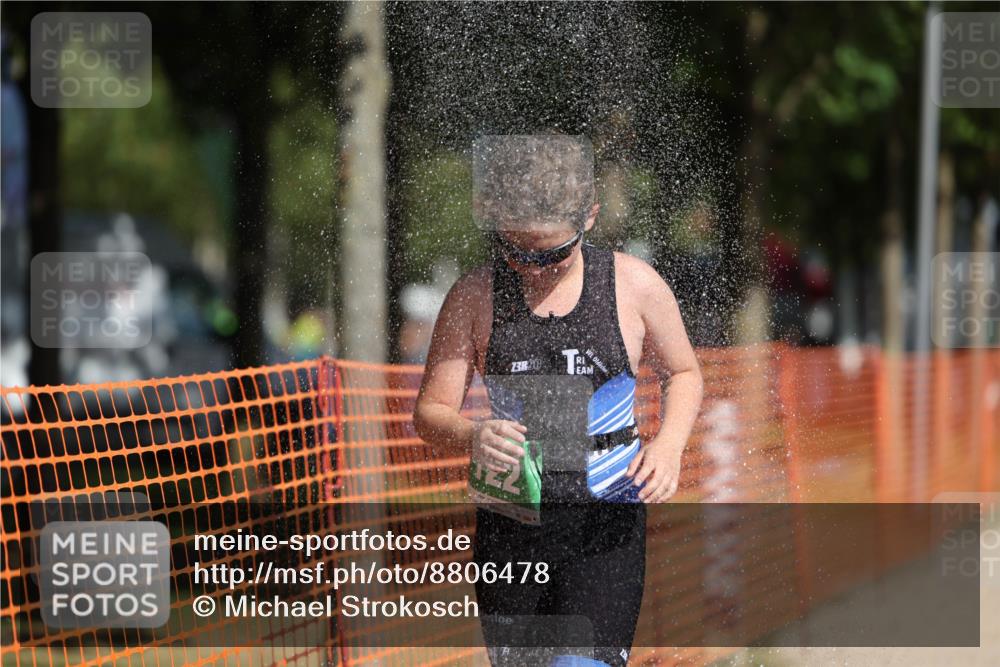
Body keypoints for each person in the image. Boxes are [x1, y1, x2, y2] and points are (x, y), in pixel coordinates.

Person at [413, 135, 703, 667]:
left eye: (551, 254)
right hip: (511, 526)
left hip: (605, 520)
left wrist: (669, 446)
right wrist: (472, 435)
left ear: (589, 216)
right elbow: (431, 413)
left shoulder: (634, 285)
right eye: (516, 251)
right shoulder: (473, 296)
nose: (533, 268)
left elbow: (684, 372)